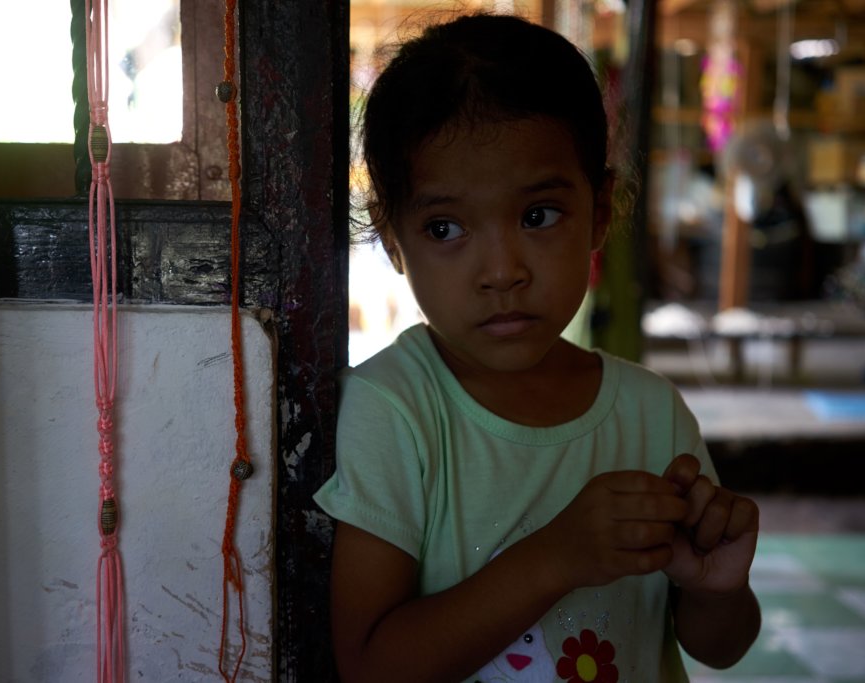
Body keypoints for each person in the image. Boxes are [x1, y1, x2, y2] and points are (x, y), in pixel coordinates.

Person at [314, 13, 761, 682]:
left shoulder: (651, 413)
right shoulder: (396, 409)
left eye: (538, 216)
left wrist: (715, 585)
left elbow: (721, 646)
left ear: (600, 211)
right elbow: (371, 665)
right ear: (392, 238)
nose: (502, 270)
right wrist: (555, 557)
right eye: (445, 227)